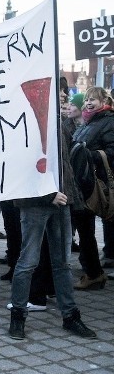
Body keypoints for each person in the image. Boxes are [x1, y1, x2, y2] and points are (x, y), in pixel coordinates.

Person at [9, 90, 97, 340]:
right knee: (28, 262)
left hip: (61, 200)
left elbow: (64, 165)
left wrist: (68, 195)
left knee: (61, 264)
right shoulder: (23, 125)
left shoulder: (58, 124)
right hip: (37, 202)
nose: (60, 102)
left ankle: (70, 316)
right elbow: (21, 170)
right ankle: (17, 315)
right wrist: (48, 195)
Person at [71, 87, 114, 280]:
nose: (88, 103)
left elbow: (111, 152)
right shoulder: (88, 122)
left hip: (95, 183)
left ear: (104, 100)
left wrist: (88, 155)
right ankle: (91, 269)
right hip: (82, 182)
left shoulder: (108, 121)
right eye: (87, 99)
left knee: (86, 228)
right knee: (84, 228)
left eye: (93, 100)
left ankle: (94, 272)